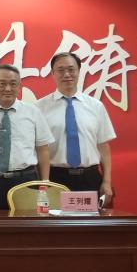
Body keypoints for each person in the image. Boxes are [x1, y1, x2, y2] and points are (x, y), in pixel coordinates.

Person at [37, 52, 116, 206]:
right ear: (53, 73)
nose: (67, 74)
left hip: (90, 178)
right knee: (54, 220)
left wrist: (106, 181)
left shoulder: (96, 106)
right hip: (55, 178)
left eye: (71, 69)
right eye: (60, 70)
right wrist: (43, 183)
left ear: (79, 71)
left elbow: (103, 147)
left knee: (91, 221)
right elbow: (38, 149)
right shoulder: (39, 108)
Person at [0, 64, 54, 210]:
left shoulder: (33, 112)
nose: (8, 89)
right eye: (2, 84)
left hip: (26, 180)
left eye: (13, 84)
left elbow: (43, 149)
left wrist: (45, 181)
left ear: (20, 87)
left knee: (27, 222)